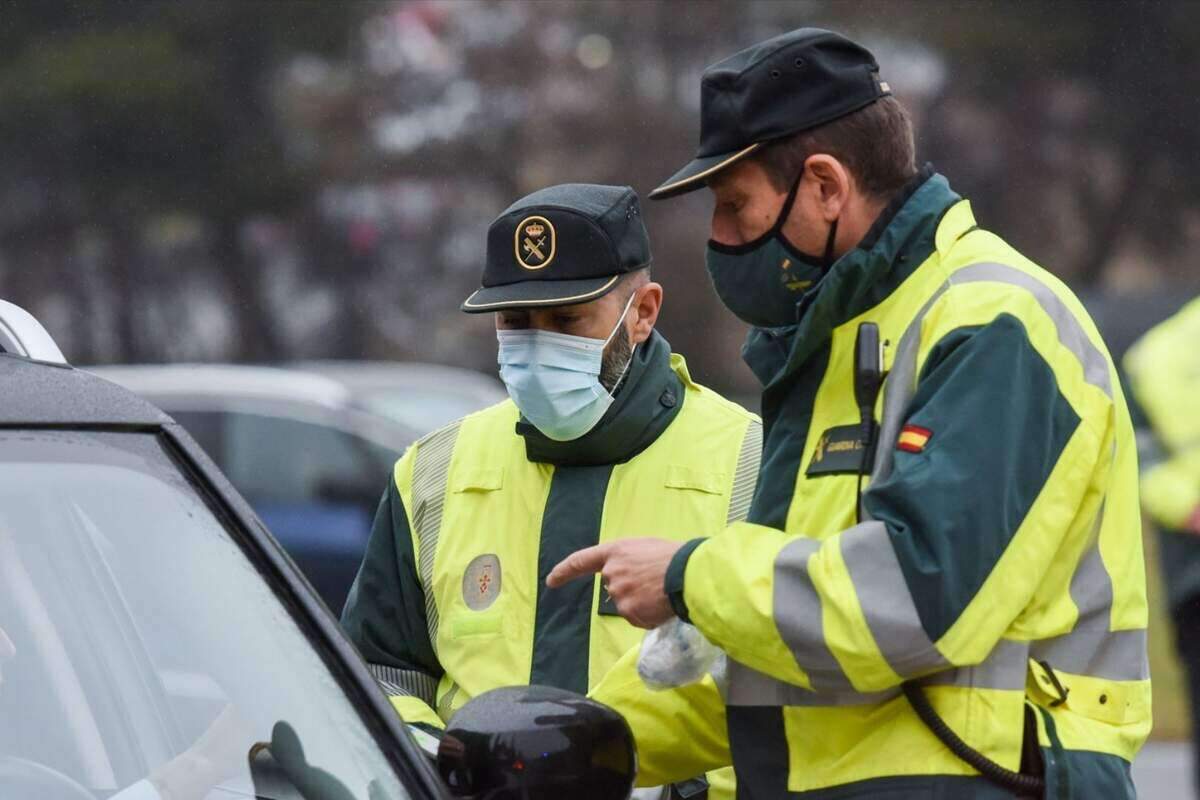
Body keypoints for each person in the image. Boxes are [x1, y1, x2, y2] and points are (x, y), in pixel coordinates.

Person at [550, 29, 1150, 798]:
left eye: (735, 206)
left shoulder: (994, 321)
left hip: (989, 778)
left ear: (827, 186)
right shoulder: (838, 344)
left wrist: (688, 574)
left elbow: (917, 597)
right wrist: (580, 742)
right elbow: (780, 643)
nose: (719, 239)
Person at [340, 183, 759, 799]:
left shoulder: (751, 461)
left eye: (566, 320)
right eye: (515, 322)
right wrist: (444, 770)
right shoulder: (432, 470)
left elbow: (785, 683)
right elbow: (379, 672)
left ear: (643, 312)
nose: (537, 346)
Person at [1124, 296, 1200, 792]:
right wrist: (1189, 507)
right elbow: (1137, 456)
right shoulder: (1157, 355)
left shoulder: (1156, 351)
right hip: (1192, 565)